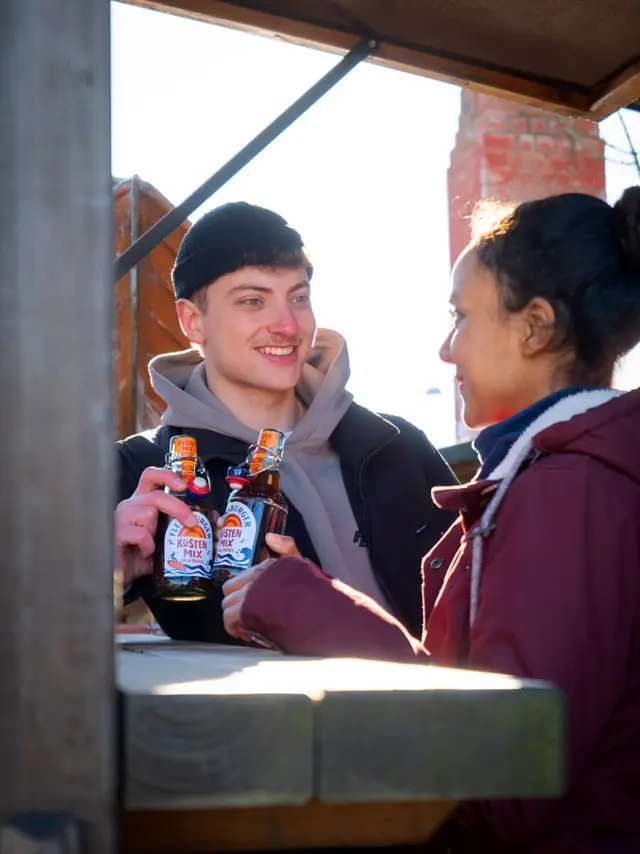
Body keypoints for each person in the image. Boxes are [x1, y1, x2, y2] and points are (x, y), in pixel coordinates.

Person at [221, 189, 640, 853]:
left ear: (534, 326)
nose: (447, 350)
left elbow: (502, 777)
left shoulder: (568, 494)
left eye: (461, 317)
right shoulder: (554, 477)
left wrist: (307, 606)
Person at [115, 201, 457, 642]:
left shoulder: (398, 446)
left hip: (448, 708)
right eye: (253, 300)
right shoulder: (142, 471)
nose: (286, 325)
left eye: (298, 298)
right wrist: (105, 574)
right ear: (192, 321)